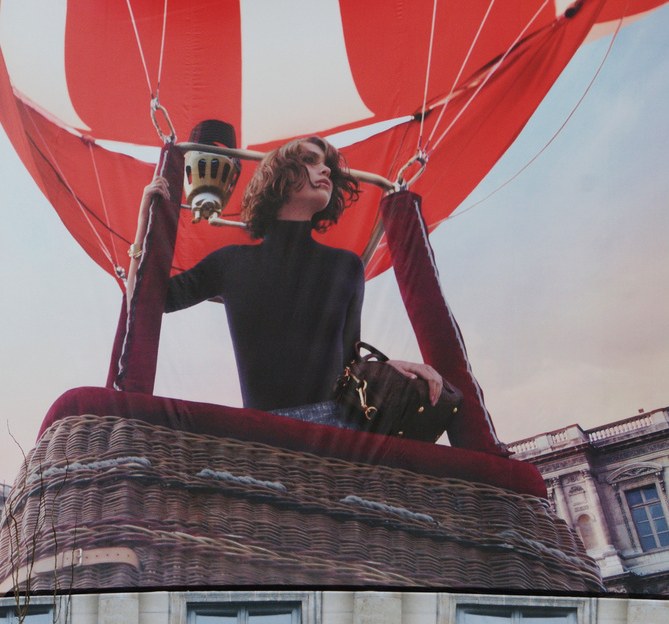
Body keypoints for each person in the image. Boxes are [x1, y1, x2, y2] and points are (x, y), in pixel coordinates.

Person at [130, 135, 442, 426]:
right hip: (264, 436)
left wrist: (390, 366)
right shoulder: (230, 262)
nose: (325, 171)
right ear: (279, 176)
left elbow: (349, 363)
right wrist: (145, 221)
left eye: (328, 166)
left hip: (335, 432)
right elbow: (141, 302)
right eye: (310, 160)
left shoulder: (347, 267)